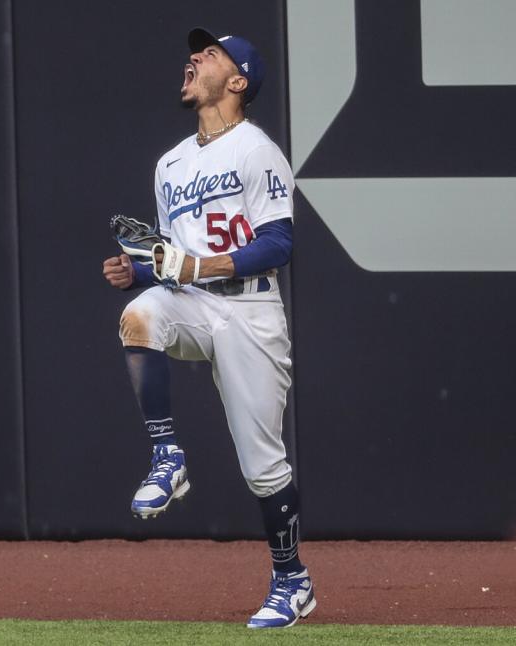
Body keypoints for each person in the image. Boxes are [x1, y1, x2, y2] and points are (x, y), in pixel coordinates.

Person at [101, 28, 315, 629]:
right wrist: (140, 267)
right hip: (193, 302)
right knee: (139, 313)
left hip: (249, 312)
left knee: (263, 468)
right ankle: (168, 455)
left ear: (238, 82)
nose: (195, 57)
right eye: (197, 51)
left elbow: (277, 243)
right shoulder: (170, 163)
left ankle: (292, 579)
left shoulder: (256, 149)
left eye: (212, 54)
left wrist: (190, 266)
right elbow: (176, 257)